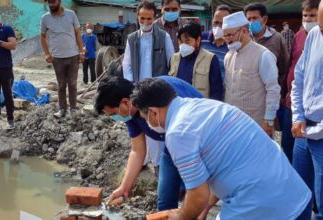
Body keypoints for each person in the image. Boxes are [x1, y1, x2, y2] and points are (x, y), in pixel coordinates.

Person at [130, 78, 311, 219]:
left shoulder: (178, 132)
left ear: (154, 112)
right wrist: (206, 206)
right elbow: (223, 164)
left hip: (264, 207)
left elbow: (198, 195)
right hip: (296, 197)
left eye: (146, 117)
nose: (148, 122)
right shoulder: (205, 106)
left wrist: (181, 216)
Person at [94, 75, 203, 210]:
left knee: (195, 197)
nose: (115, 118)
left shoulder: (157, 93)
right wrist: (124, 188)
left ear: (125, 102)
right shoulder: (130, 114)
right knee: (165, 199)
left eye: (114, 113)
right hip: (171, 145)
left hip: (198, 141)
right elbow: (137, 151)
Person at [223, 11, 280, 137]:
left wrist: (268, 121)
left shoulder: (263, 55)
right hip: (232, 124)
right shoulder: (228, 56)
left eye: (230, 35)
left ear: (243, 31)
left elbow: (273, 89)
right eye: (225, 36)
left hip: (256, 126)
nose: (227, 40)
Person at [291, 1, 323, 218]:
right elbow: (299, 79)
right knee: (299, 194)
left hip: (321, 136)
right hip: (303, 131)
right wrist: (298, 116)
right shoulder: (314, 36)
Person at [244, 3, 290, 139]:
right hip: (250, 99)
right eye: (249, 19)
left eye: (255, 18)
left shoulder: (277, 39)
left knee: (266, 137)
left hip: (270, 99)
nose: (251, 22)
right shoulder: (244, 40)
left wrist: (281, 95)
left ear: (264, 20)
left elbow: (285, 69)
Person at [285, 0, 319, 170]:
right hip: (298, 110)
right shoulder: (301, 36)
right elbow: (294, 71)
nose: (308, 19)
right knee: (299, 168)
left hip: (317, 123)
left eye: (312, 15)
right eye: (305, 15)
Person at [40, 0, 85, 118]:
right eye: (49, 2)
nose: (51, 5)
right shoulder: (45, 18)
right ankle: (62, 109)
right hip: (57, 58)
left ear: (59, 1)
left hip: (73, 56)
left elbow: (78, 34)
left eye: (53, 2)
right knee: (61, 85)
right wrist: (46, 54)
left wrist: (81, 52)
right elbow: (43, 36)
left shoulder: (71, 14)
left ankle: (73, 109)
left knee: (73, 84)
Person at [122, 1, 174, 82]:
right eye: (142, 18)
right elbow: (127, 65)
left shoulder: (164, 37)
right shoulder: (131, 39)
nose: (145, 22)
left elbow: (172, 64)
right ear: (137, 16)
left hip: (158, 88)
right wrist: (130, 83)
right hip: (137, 87)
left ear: (154, 18)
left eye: (149, 19)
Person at [169, 23, 223, 100]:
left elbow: (216, 91)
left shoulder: (210, 58)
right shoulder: (174, 58)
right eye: (181, 42)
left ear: (198, 40)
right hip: (179, 106)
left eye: (188, 41)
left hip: (200, 107)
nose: (183, 45)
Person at [201, 4, 231, 80]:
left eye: (222, 23)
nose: (218, 26)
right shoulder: (201, 39)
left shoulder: (233, 44)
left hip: (224, 89)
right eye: (216, 22)